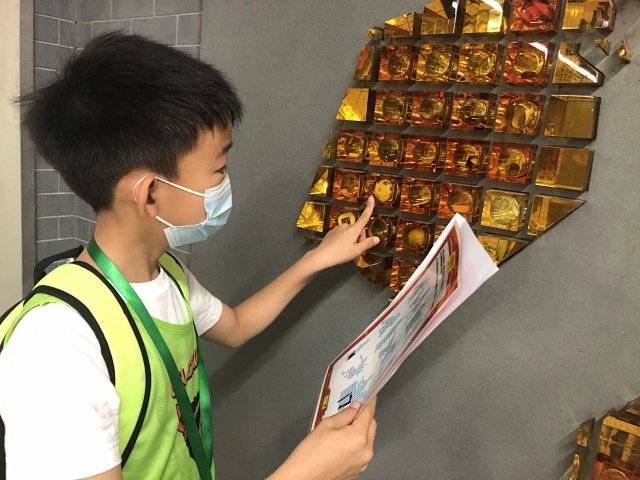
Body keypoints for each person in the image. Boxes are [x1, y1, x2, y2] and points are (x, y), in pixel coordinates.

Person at [0, 32, 380, 479]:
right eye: (219, 169)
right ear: (149, 193)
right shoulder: (56, 344)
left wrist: (317, 259)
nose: (226, 183)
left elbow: (236, 326)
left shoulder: (166, 275)